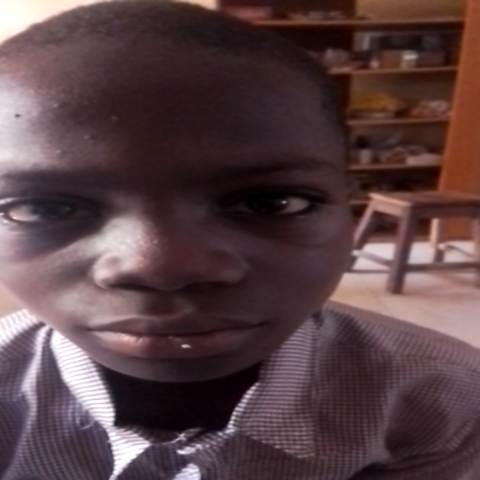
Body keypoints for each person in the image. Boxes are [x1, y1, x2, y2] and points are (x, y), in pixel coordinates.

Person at [0, 1, 479, 478]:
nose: (162, 267)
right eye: (43, 209)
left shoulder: (445, 399)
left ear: (348, 208)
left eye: (270, 203)